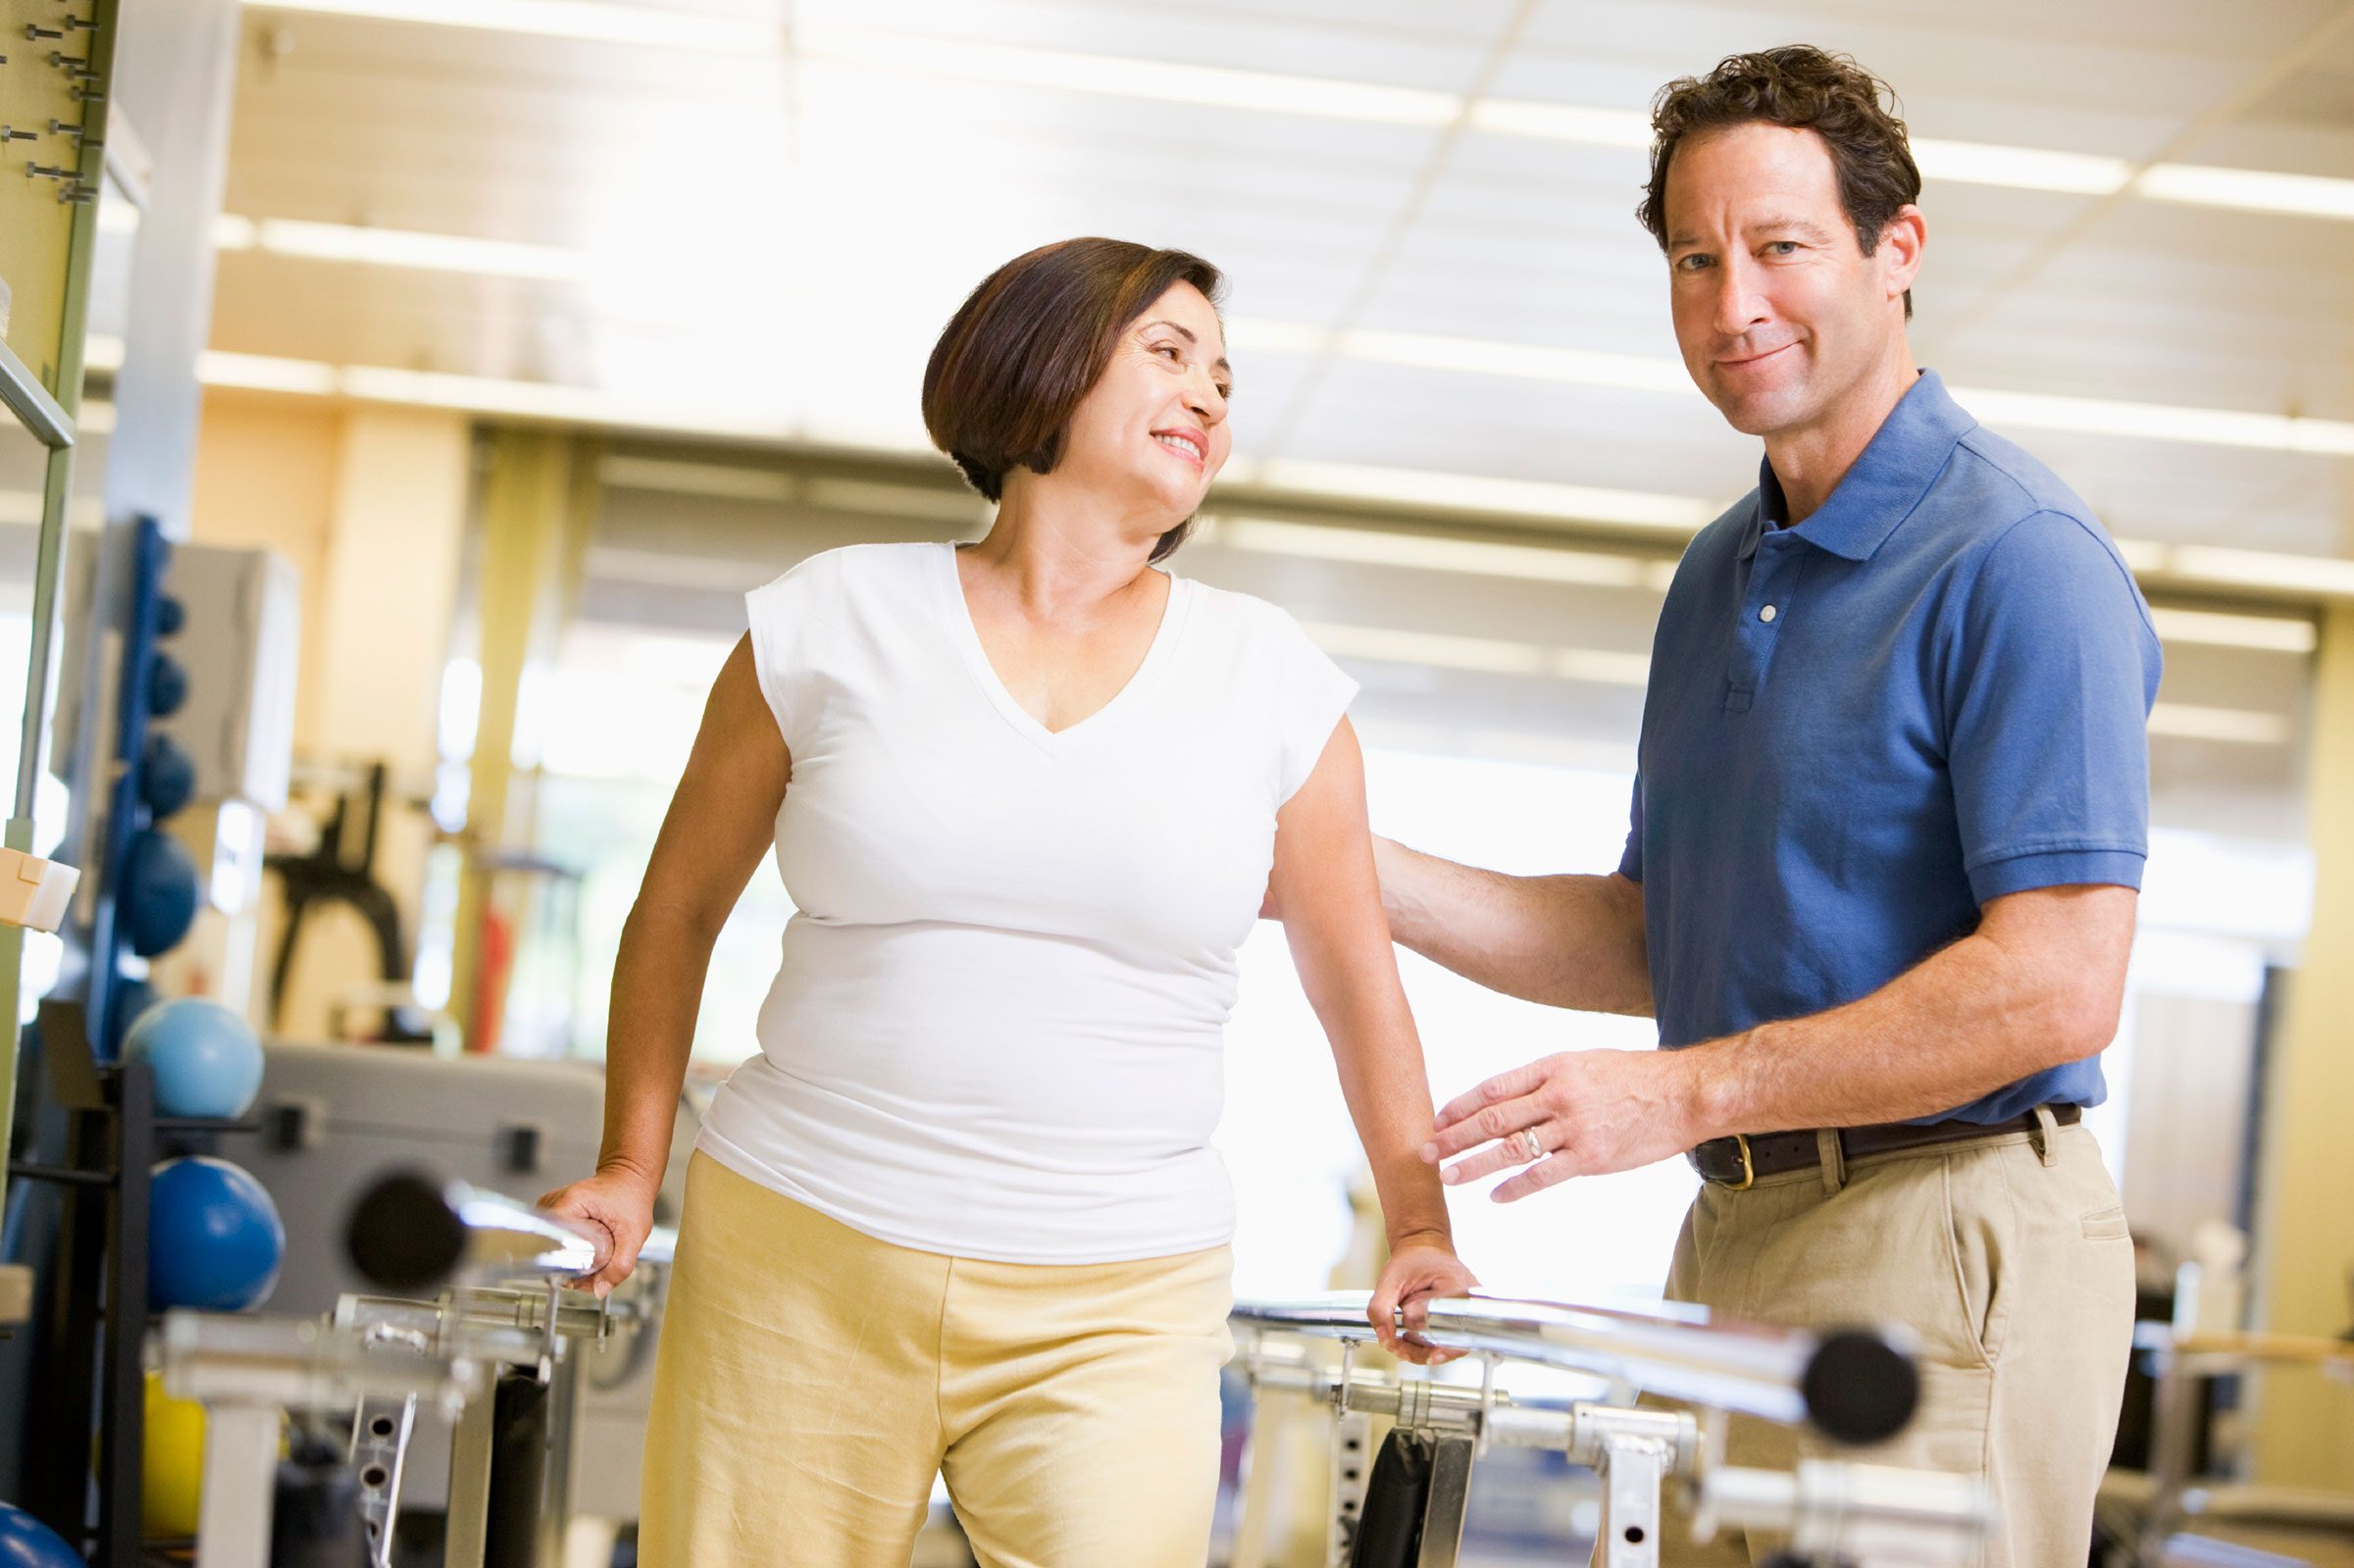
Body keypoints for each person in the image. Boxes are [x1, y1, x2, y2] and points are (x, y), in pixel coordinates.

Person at [539, 236, 1475, 1568]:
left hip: (1118, 1293)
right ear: (1043, 364)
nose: (1209, 395)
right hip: (801, 1248)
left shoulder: (1272, 683)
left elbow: (1353, 976)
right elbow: (676, 908)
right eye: (1169, 353)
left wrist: (1424, 1224)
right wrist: (633, 1166)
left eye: (1225, 377)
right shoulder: (828, 622)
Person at [1368, 48, 2160, 1566]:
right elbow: (1663, 936)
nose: (1735, 303)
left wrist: (1677, 1094)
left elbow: (2063, 975)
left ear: (1897, 249)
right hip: (1738, 1231)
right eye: (1694, 257)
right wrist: (1341, 866)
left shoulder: (2022, 558)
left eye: (1782, 247)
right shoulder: (1720, 574)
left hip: (1943, 1217)